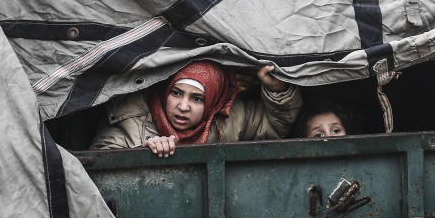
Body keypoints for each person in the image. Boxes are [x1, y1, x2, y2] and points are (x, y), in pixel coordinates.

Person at [90, 60, 301, 157]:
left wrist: (278, 89)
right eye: (176, 93)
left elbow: (276, 124)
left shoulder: (232, 117)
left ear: (213, 102)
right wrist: (143, 153)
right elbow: (99, 159)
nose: (183, 107)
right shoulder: (131, 118)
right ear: (165, 90)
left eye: (197, 99)